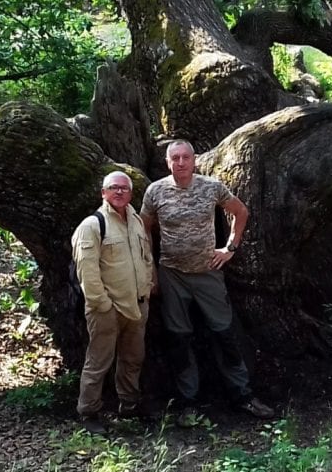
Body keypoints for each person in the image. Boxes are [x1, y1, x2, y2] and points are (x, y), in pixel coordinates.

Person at [140, 140, 275, 426]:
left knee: (224, 332)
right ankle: (189, 401)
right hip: (171, 273)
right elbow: (144, 228)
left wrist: (230, 248)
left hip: (208, 272)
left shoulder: (211, 187)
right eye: (174, 158)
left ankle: (242, 394)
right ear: (167, 162)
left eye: (185, 157)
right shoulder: (155, 191)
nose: (180, 162)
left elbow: (241, 212)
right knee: (178, 337)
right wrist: (151, 270)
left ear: (194, 160)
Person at [71, 171, 154, 434]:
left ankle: (129, 404)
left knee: (133, 358)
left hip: (137, 305)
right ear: (103, 193)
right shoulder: (92, 225)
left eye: (124, 188)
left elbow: (146, 257)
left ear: (131, 193)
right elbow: (87, 270)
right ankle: (89, 412)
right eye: (113, 188)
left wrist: (148, 287)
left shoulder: (136, 221)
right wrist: (102, 304)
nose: (119, 192)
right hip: (107, 308)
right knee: (98, 362)